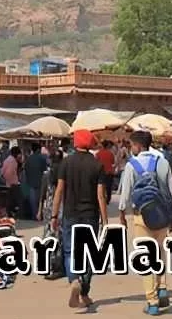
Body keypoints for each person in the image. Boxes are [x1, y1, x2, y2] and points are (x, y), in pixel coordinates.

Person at [118, 130, 172, 316]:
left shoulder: (131, 165)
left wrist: (121, 214)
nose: (131, 148)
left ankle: (152, 302)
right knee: (159, 253)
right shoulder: (163, 162)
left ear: (138, 145)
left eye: (131, 145)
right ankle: (163, 287)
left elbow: (125, 194)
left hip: (141, 216)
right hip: (162, 215)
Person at [50, 129, 107, 310]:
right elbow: (101, 196)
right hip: (90, 215)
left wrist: (54, 215)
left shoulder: (66, 163)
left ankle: (74, 279)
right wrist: (105, 220)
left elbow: (59, 190)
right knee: (90, 253)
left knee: (69, 250)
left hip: (70, 214)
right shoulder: (97, 165)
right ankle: (84, 291)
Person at [37, 148, 65, 280]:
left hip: (49, 210)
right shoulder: (64, 174)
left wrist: (39, 210)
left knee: (47, 237)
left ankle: (46, 265)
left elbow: (42, 195)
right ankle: (57, 267)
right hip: (60, 210)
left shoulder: (46, 175)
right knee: (59, 239)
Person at [24, 144, 48, 219]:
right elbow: (45, 170)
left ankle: (34, 216)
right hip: (40, 182)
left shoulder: (28, 159)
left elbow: (26, 171)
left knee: (33, 203)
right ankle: (40, 215)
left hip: (30, 183)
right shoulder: (42, 158)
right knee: (41, 201)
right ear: (38, 149)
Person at [1, 147, 23, 217]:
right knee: (16, 200)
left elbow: (3, 172)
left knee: (9, 200)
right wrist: (11, 182)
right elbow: (9, 173)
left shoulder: (8, 160)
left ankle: (9, 214)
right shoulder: (12, 161)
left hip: (9, 183)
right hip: (13, 183)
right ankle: (16, 214)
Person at [94, 140, 116, 204]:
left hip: (101, 172)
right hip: (109, 172)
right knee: (108, 187)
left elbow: (96, 163)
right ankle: (108, 200)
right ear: (108, 146)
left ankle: (101, 199)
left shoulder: (98, 154)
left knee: (101, 186)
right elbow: (113, 162)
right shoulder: (110, 153)